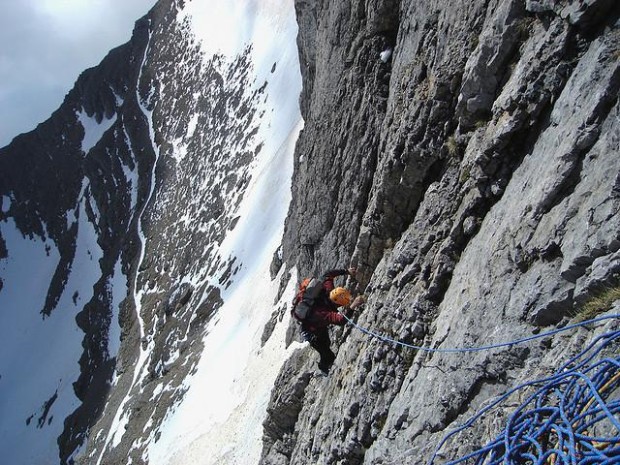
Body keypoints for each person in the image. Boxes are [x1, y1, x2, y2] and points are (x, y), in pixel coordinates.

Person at [292, 267, 365, 375]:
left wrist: (346, 271)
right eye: (341, 304)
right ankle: (324, 369)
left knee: (327, 342)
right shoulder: (323, 312)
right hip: (311, 332)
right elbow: (340, 320)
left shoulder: (328, 289)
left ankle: (325, 363)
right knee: (327, 353)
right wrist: (352, 306)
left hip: (317, 324)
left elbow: (328, 274)